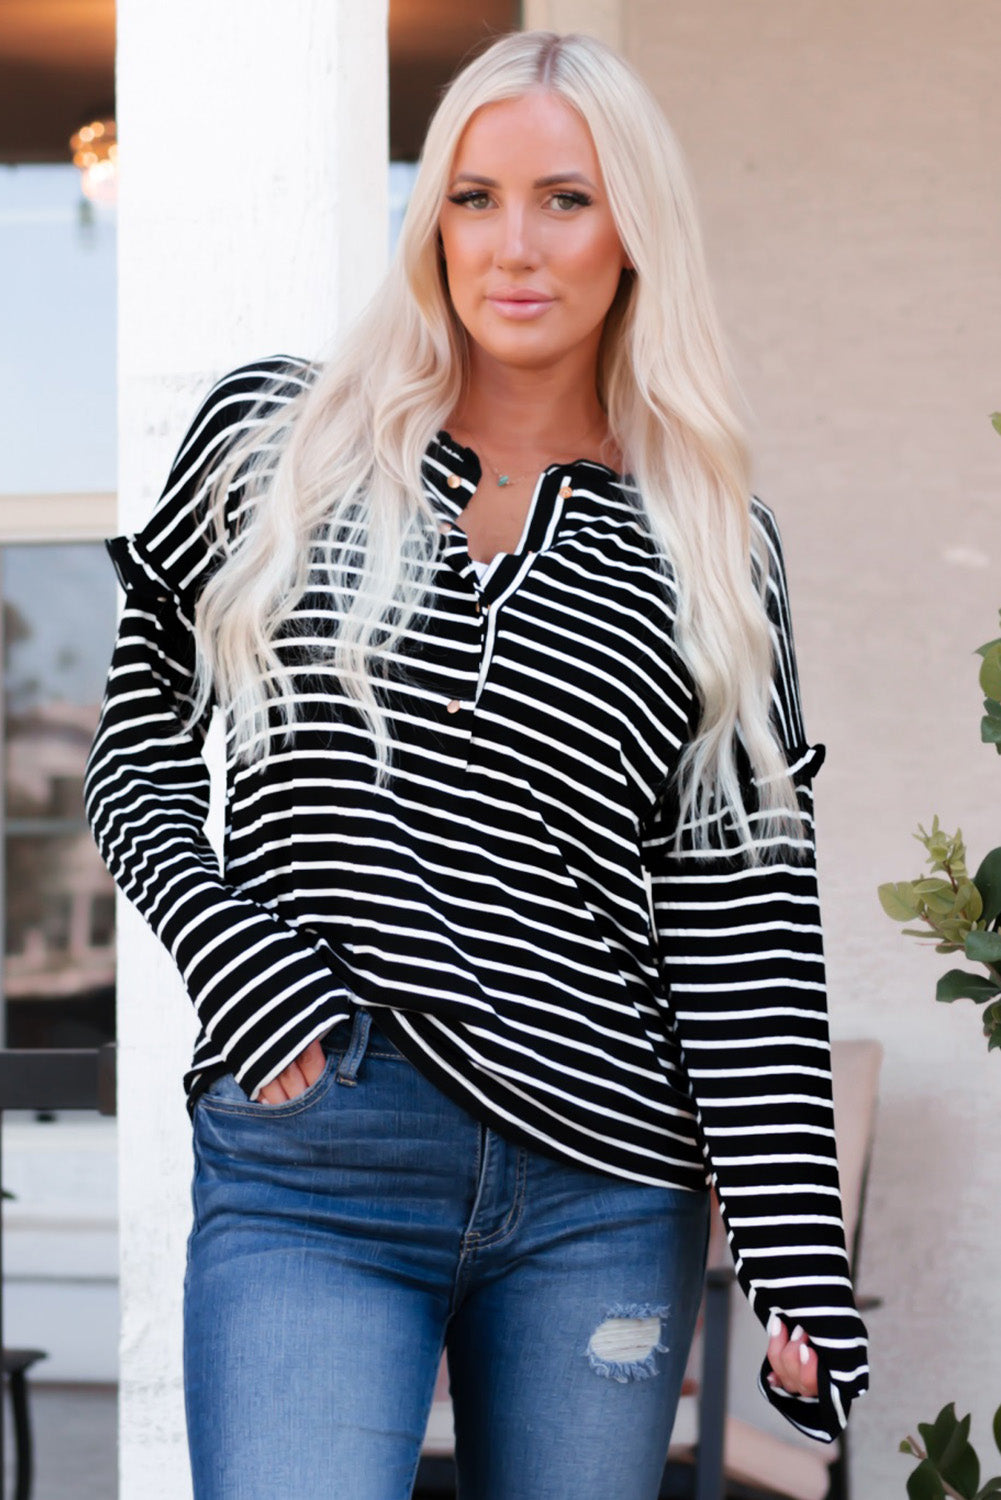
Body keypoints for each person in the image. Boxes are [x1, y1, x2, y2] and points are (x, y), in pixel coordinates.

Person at [85, 28, 868, 1500]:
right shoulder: (276, 441)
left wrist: (796, 1256)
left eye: (565, 199)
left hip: (605, 1183)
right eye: (472, 196)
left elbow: (741, 922)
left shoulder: (711, 544)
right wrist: (232, 952)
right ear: (431, 220)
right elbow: (138, 745)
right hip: (319, 1150)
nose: (513, 245)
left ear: (634, 230)